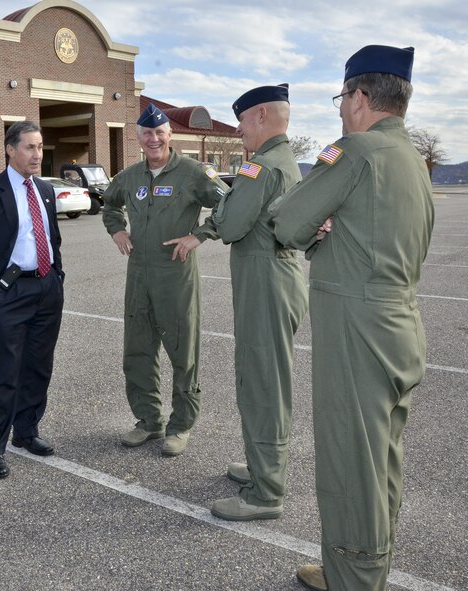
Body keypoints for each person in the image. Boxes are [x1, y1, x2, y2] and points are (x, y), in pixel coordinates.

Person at [270, 46, 434, 591]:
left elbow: (288, 223)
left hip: (357, 331)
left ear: (361, 98)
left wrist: (320, 224)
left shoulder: (356, 151)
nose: (341, 109)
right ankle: (363, 566)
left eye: (343, 98)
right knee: (381, 457)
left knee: (350, 460)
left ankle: (355, 578)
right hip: (398, 321)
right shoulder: (411, 159)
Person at [166, 84, 308, 518]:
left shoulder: (261, 168)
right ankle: (263, 467)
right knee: (262, 378)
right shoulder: (281, 161)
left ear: (261, 115)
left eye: (244, 120)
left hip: (266, 285)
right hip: (272, 279)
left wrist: (222, 213)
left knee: (263, 383)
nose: (241, 129)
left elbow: (229, 224)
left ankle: (265, 493)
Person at [103, 103, 228, 457]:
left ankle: (181, 425)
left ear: (170, 136)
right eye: (147, 133)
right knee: (138, 350)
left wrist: (199, 236)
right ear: (138, 138)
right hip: (138, 275)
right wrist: (116, 230)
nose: (153, 139)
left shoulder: (193, 173)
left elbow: (229, 203)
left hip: (176, 275)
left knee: (182, 352)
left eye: (159, 133)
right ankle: (148, 421)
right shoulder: (128, 177)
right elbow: (109, 205)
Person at [0, 120, 64, 479]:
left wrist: (57, 278)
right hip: (9, 293)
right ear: (10, 149)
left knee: (38, 367)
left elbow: (52, 239)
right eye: (29, 147)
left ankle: (26, 432)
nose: (37, 154)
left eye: (40, 147)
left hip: (46, 288)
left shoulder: (46, 190)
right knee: (5, 372)